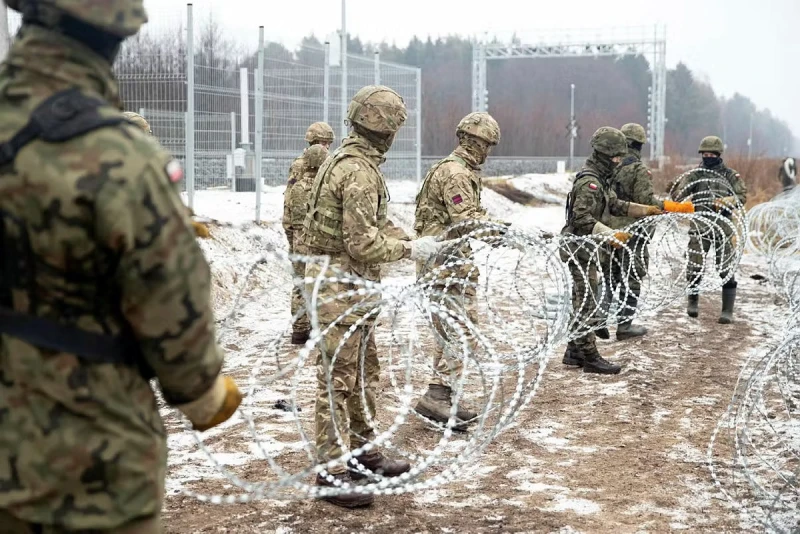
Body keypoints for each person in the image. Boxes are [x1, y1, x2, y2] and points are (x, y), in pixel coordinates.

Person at [0, 1, 242, 531]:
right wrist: (205, 396)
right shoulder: (117, 154)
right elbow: (173, 317)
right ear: (114, 38)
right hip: (82, 471)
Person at [302, 85, 447, 508]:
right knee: (337, 380)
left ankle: (364, 454)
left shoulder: (349, 163)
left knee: (364, 372)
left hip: (351, 287)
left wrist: (410, 238)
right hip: (340, 288)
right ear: (386, 128)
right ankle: (330, 474)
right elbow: (362, 242)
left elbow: (372, 227)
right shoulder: (360, 172)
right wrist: (408, 249)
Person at [412, 111, 504, 429]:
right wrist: (507, 234)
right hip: (444, 265)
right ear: (470, 140)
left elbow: (471, 215)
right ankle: (438, 396)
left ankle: (440, 394)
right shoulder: (455, 173)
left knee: (452, 331)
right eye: (485, 144)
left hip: (448, 261)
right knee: (461, 331)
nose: (487, 152)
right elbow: (467, 219)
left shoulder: (459, 170)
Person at [560, 127, 677, 374]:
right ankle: (590, 356)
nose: (617, 162)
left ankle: (573, 351)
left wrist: (645, 210)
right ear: (603, 154)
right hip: (582, 250)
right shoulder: (590, 182)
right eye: (614, 158)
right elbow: (581, 218)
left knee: (583, 300)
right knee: (587, 303)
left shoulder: (600, 180)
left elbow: (615, 204)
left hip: (589, 249)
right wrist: (609, 233)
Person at [599, 123, 663, 341]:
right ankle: (624, 326)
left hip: (608, 230)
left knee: (609, 276)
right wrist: (662, 205)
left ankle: (599, 318)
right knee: (632, 277)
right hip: (633, 233)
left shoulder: (609, 166)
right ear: (639, 145)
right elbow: (645, 200)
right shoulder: (638, 169)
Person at [674, 136, 747, 323]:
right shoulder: (695, 174)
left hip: (723, 227)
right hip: (700, 226)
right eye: (704, 154)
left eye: (711, 154)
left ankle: (727, 311)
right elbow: (679, 195)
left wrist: (727, 201)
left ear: (718, 154)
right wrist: (676, 186)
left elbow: (741, 195)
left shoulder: (730, 175)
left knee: (726, 269)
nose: (707, 156)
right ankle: (692, 302)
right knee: (695, 265)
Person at [282, 143, 328, 344]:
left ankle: (299, 330)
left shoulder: (297, 187)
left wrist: (292, 239)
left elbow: (290, 216)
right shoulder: (324, 188)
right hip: (317, 242)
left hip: (299, 240)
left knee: (300, 283)